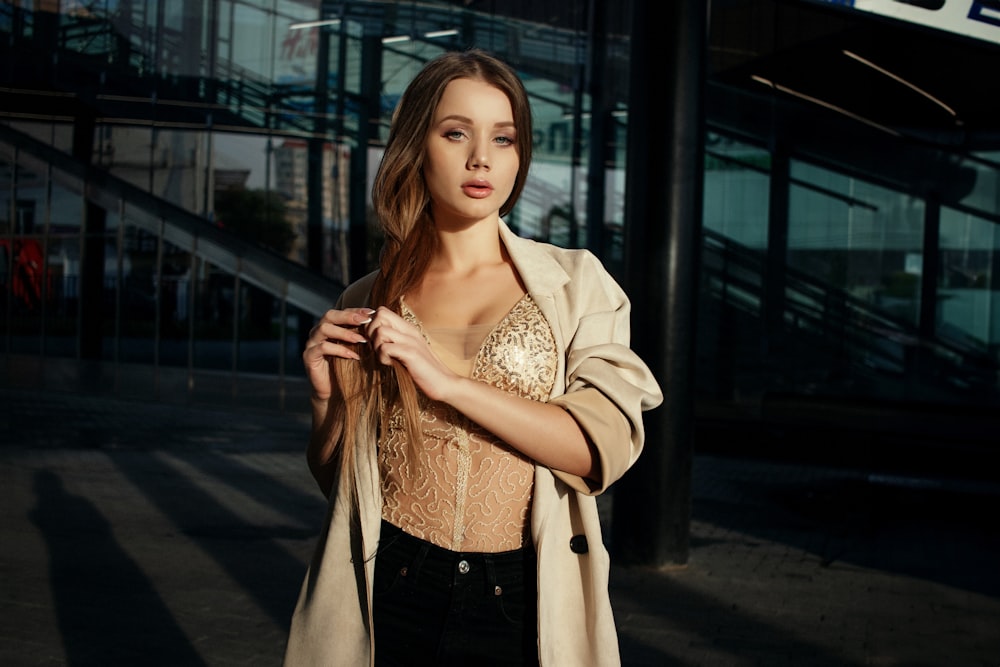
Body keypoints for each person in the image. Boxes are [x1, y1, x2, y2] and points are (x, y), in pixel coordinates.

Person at [283, 48, 662, 667]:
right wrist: (327, 400)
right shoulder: (370, 298)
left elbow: (603, 447)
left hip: (519, 595)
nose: (482, 157)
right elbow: (347, 485)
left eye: (504, 138)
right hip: (394, 585)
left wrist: (444, 382)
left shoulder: (572, 284)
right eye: (456, 132)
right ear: (418, 146)